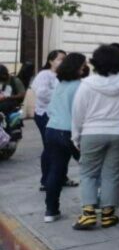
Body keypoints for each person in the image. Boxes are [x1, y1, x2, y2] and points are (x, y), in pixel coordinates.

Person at [71, 45, 119, 230]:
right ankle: (108, 214)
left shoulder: (87, 84)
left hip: (92, 132)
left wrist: (76, 135)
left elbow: (78, 112)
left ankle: (88, 214)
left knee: (88, 173)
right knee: (112, 173)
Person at [42, 53, 87, 223]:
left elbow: (50, 109)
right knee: (88, 169)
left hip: (52, 129)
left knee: (56, 170)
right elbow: (80, 113)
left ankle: (51, 211)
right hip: (69, 132)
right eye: (82, 65)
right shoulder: (80, 86)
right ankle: (91, 208)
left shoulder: (60, 85)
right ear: (76, 67)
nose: (84, 68)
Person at [30, 50, 68, 191]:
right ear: (51, 61)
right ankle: (46, 180)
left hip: (60, 115)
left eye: (65, 59)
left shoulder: (62, 75)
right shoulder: (45, 75)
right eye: (60, 59)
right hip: (45, 114)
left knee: (62, 148)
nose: (63, 62)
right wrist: (62, 93)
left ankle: (61, 177)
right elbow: (42, 93)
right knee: (49, 147)